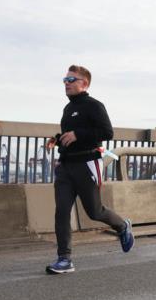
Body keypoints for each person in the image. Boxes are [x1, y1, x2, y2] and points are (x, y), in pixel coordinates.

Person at [45, 65, 134, 274]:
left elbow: (106, 132)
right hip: (66, 167)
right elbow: (70, 135)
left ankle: (122, 226)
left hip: (86, 165)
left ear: (84, 83)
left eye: (71, 80)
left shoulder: (94, 105)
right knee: (61, 212)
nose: (66, 84)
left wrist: (78, 134)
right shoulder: (68, 109)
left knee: (94, 211)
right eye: (65, 80)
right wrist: (57, 141)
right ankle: (64, 259)